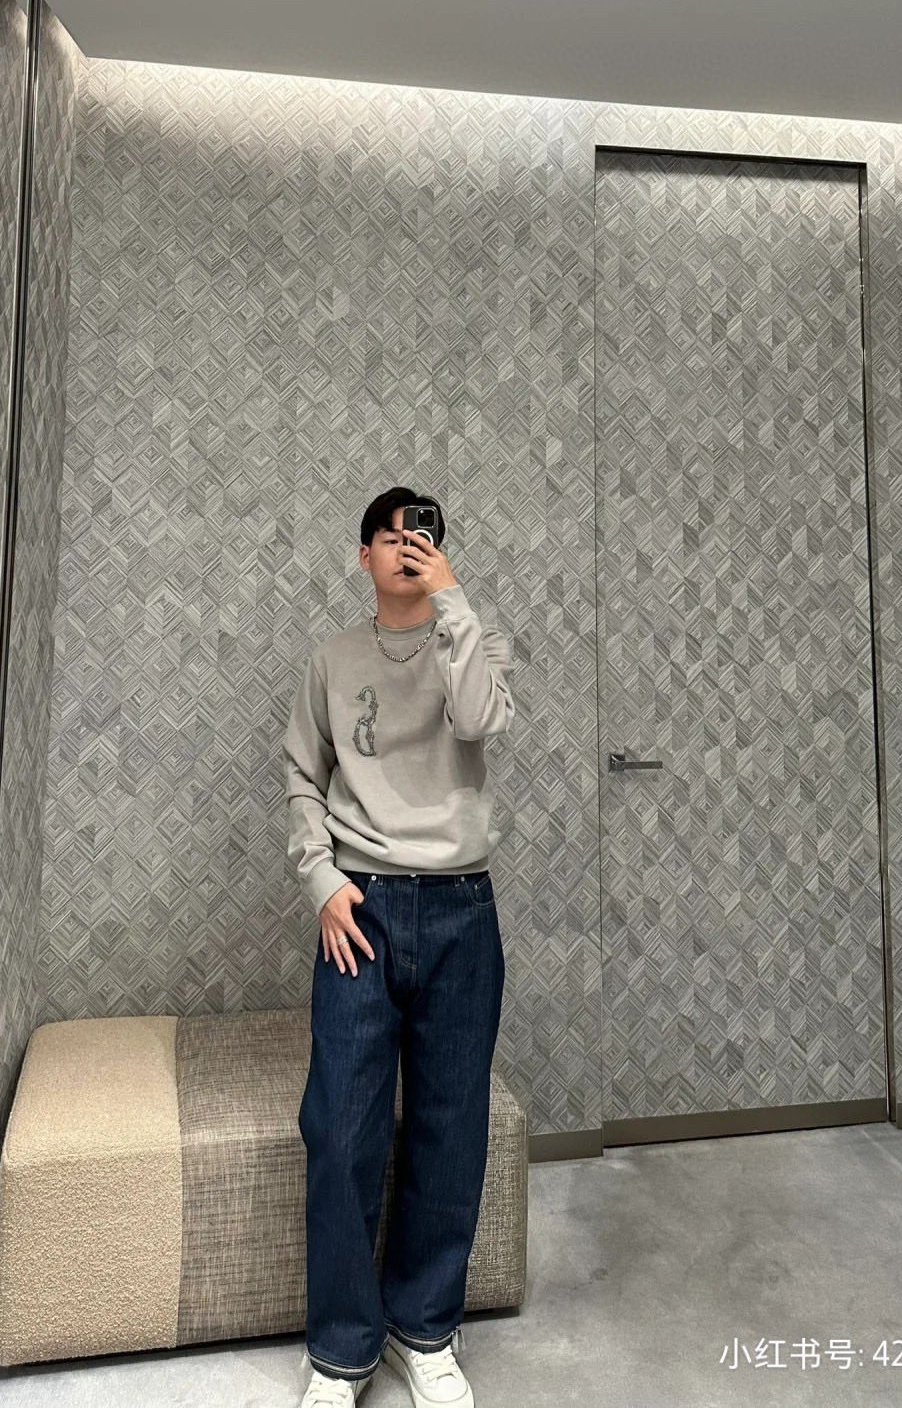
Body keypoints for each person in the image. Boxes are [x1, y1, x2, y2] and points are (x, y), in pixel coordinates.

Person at [283, 486, 515, 1407]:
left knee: (450, 1127)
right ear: (363, 556)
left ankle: (425, 1331)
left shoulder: (473, 640)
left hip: (462, 907)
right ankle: (341, 1353)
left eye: (420, 537)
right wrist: (322, 880)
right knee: (341, 1126)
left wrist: (454, 599)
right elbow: (303, 774)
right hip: (361, 908)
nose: (404, 549)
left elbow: (481, 721)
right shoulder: (332, 658)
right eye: (388, 537)